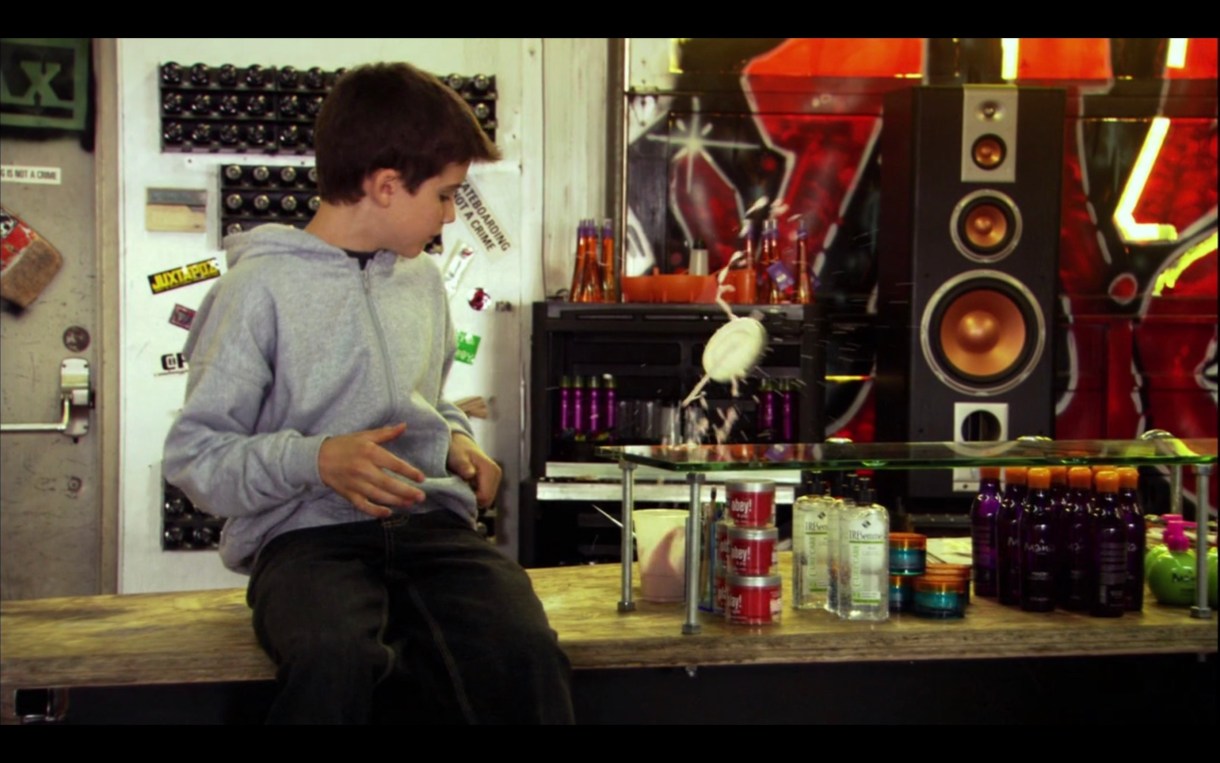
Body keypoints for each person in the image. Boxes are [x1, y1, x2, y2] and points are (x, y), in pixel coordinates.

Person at [163, 62, 574, 724]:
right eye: (444, 196)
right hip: (305, 541)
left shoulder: (423, 283)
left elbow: (426, 402)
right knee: (337, 659)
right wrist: (317, 459)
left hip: (429, 528)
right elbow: (197, 456)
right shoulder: (254, 291)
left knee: (525, 654)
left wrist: (459, 443)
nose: (447, 218)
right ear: (385, 186)